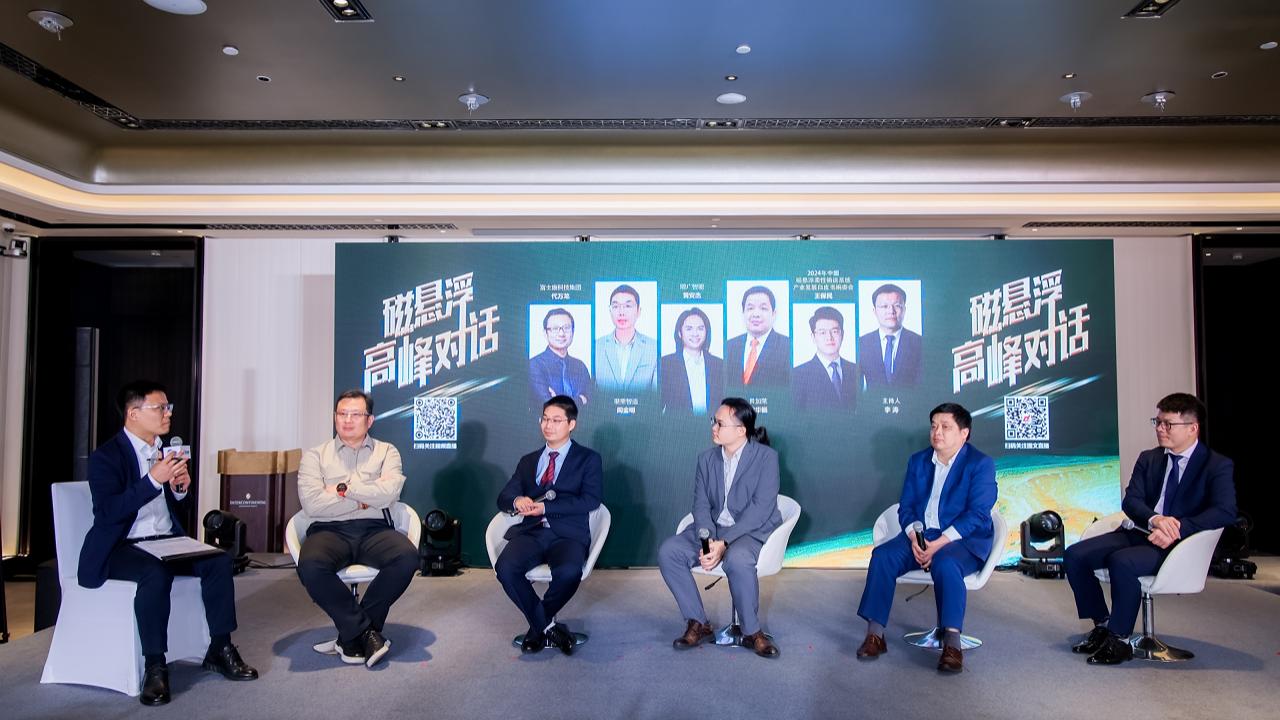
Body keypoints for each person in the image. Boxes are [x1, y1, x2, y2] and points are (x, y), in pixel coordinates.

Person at [79, 380, 257, 706]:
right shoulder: (106, 456)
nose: (168, 414)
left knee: (218, 560)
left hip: (166, 541)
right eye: (160, 408)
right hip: (123, 546)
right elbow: (107, 513)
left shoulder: (167, 452)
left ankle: (220, 647)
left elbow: (176, 509)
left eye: (168, 407)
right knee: (154, 573)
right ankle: (155, 666)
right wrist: (152, 481)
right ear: (133, 414)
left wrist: (179, 489)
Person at [1064, 393, 1236, 665]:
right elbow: (1131, 501)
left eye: (1168, 424)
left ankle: (1120, 640)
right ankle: (1103, 625)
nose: (1160, 429)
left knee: (1122, 562)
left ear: (1192, 428)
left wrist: (1178, 528)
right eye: (1157, 422)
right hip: (1140, 532)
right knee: (1075, 555)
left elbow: (1225, 511)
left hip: (1179, 544)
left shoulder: (1216, 465)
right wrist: (1155, 519)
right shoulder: (1149, 459)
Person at [855, 403, 997, 673]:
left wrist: (939, 544)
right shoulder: (918, 461)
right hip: (921, 536)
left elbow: (978, 514)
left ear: (964, 433)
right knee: (883, 556)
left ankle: (952, 644)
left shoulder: (980, 464)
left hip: (963, 541)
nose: (937, 432)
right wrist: (913, 537)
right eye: (933, 426)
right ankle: (875, 635)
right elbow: (906, 506)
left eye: (945, 427)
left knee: (946, 563)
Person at [296, 390, 419, 669]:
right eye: (342, 414)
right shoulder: (315, 456)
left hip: (374, 529)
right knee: (310, 566)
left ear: (370, 420)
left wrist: (341, 490)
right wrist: (364, 497)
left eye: (355, 414)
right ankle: (365, 633)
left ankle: (350, 636)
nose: (347, 420)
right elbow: (312, 504)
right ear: (334, 417)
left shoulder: (387, 452)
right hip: (328, 530)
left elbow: (389, 494)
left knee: (407, 558)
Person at [658, 397, 784, 658]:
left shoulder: (766, 458)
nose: (713, 427)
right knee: (669, 551)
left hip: (748, 530)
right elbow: (701, 505)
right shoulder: (706, 459)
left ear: (741, 430)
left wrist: (723, 544)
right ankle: (698, 622)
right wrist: (708, 543)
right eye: (713, 421)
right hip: (713, 530)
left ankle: (752, 632)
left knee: (738, 560)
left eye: (720, 423)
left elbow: (760, 510)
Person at [495, 395, 604, 654]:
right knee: (506, 568)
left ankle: (537, 629)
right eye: (544, 419)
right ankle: (548, 627)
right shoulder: (528, 461)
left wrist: (546, 508)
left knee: (569, 572)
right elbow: (504, 497)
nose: (548, 425)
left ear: (571, 424)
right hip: (531, 532)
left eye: (556, 420)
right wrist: (518, 500)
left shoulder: (588, 459)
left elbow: (590, 500)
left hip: (568, 535)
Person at [660, 307, 725, 415]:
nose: (695, 333)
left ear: (706, 332)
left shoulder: (720, 365)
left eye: (700, 328)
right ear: (679, 333)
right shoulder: (665, 364)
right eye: (689, 329)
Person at [725, 286, 791, 391]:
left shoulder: (788, 347)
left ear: (774, 314)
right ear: (743, 313)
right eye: (750, 308)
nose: (756, 314)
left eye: (763, 308)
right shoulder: (728, 346)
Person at [792, 306, 858, 411]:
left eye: (834, 331)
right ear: (813, 337)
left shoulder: (856, 370)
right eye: (822, 332)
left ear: (842, 334)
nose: (829, 337)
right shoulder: (797, 375)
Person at [595, 284, 658, 394]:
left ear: (638, 311)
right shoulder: (596, 347)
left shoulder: (653, 348)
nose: (621, 312)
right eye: (615, 306)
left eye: (628, 306)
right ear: (610, 311)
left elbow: (655, 395)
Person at [857, 283, 922, 389]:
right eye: (884, 306)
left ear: (904, 309)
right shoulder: (861, 344)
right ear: (874, 311)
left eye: (897, 306)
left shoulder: (920, 343)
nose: (891, 311)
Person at [529, 308, 592, 408]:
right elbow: (549, 405)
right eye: (555, 329)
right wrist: (580, 400)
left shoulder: (580, 366)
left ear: (573, 332)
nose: (561, 334)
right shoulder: (534, 365)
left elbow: (592, 401)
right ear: (545, 333)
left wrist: (559, 400)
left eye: (566, 328)